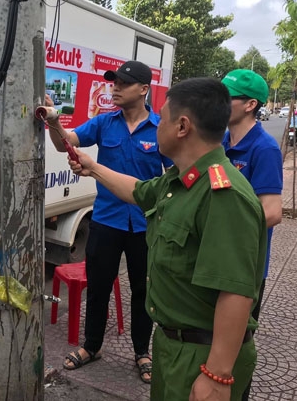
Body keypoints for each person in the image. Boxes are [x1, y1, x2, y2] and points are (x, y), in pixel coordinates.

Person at [67, 77, 266, 400]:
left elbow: (236, 292)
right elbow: (136, 190)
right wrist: (92, 168)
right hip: (174, 345)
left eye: (163, 117)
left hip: (201, 354)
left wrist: (217, 375)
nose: (156, 125)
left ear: (182, 126)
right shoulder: (180, 180)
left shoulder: (223, 194)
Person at [44, 60, 171, 383]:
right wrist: (55, 123)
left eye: (123, 83)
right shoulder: (103, 123)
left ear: (143, 89)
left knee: (144, 291)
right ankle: (92, 346)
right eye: (113, 82)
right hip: (106, 220)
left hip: (144, 225)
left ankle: (142, 351)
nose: (114, 88)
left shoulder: (160, 130)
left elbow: (175, 173)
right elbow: (66, 143)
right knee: (98, 287)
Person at [221, 69, 283, 400]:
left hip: (244, 268)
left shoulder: (264, 148)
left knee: (234, 349)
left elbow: (272, 212)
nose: (219, 102)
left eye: (226, 97)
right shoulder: (218, 141)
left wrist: (222, 223)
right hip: (213, 261)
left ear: (249, 105)